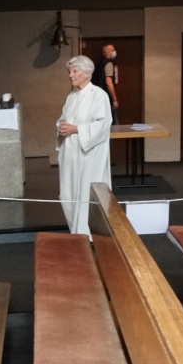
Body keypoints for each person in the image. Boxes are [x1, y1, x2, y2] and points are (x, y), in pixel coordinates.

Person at [56, 55, 112, 238]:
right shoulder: (71, 96)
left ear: (87, 73)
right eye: (69, 71)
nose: (70, 75)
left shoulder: (99, 95)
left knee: (86, 192)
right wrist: (62, 126)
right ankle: (76, 231)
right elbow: (63, 118)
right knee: (68, 193)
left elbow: (103, 124)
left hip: (89, 154)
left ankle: (88, 234)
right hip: (70, 152)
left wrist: (76, 129)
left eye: (75, 71)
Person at [91, 43, 119, 124]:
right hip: (105, 95)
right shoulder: (108, 63)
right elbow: (108, 82)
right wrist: (114, 99)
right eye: (112, 50)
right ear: (107, 52)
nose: (114, 52)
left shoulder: (99, 62)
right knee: (111, 121)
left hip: (96, 95)